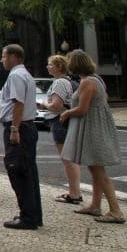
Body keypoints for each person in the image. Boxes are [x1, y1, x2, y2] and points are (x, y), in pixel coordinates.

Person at [61, 50, 124, 223]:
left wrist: (66, 113)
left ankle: (116, 210)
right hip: (96, 126)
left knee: (98, 170)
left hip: (92, 129)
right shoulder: (97, 79)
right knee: (95, 168)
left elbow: (82, 108)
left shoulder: (87, 82)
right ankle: (96, 205)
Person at [0, 44, 42, 230]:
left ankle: (28, 217)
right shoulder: (25, 74)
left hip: (19, 128)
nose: (2, 60)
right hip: (27, 127)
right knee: (29, 172)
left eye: (4, 56)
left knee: (18, 171)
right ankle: (33, 214)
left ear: (14, 56)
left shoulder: (16, 75)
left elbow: (18, 103)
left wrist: (14, 129)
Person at [39, 55, 80, 204]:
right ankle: (75, 192)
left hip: (59, 122)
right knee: (69, 158)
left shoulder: (59, 83)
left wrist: (44, 104)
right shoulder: (66, 81)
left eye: (50, 64)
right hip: (63, 121)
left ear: (59, 67)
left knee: (67, 158)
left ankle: (74, 193)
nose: (48, 67)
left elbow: (56, 105)